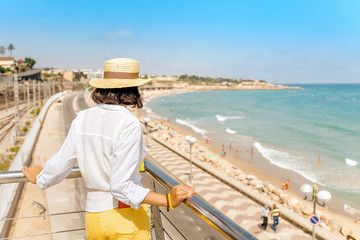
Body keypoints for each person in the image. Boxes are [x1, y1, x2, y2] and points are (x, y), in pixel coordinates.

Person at [22, 58, 196, 240]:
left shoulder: (82, 118)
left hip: (94, 218)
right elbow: (121, 186)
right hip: (126, 219)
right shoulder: (128, 124)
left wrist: (41, 178)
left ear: (102, 88)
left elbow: (61, 164)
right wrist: (168, 200)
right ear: (133, 90)